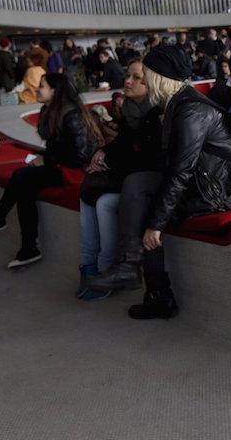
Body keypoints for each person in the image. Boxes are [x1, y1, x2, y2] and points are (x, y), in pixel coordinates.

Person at [82, 46, 231, 319]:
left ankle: (155, 291)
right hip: (208, 180)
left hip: (223, 190)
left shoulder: (190, 110)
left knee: (147, 207)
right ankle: (135, 273)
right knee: (138, 184)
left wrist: (156, 225)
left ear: (159, 77)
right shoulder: (179, 103)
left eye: (145, 75)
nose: (141, 81)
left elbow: (180, 172)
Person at [0, 74, 100, 268]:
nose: (36, 88)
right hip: (63, 165)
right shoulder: (52, 111)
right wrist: (44, 159)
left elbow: (81, 156)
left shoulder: (72, 115)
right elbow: (57, 148)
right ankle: (28, 249)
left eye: (41, 86)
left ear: (55, 91)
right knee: (24, 187)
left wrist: (46, 159)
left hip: (77, 171)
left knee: (20, 176)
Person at [78, 60, 163, 301]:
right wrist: (103, 153)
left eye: (136, 77)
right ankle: (89, 265)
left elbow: (150, 159)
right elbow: (124, 145)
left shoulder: (159, 113)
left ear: (150, 85)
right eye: (127, 75)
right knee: (88, 192)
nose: (128, 81)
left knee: (103, 200)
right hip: (132, 177)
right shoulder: (130, 110)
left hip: (147, 182)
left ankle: (107, 268)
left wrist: (110, 162)